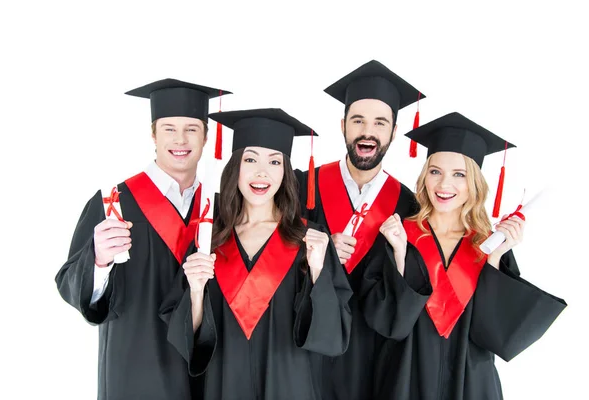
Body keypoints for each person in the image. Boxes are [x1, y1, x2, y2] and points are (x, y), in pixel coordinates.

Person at [368, 112, 567, 400]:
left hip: (470, 383)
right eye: (435, 171)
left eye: (458, 174)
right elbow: (385, 322)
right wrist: (399, 254)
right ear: (424, 177)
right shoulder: (398, 235)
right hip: (404, 378)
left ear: (473, 182)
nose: (443, 184)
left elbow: (497, 334)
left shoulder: (488, 245)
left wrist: (496, 259)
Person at [55, 78, 230, 400]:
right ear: (153, 134)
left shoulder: (221, 208)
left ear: (207, 136)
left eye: (192, 128)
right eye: (169, 128)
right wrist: (98, 260)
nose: (180, 139)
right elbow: (69, 284)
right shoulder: (113, 202)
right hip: (136, 360)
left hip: (205, 362)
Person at [162, 108, 353, 400]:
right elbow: (188, 343)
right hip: (225, 386)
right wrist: (197, 292)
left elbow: (334, 337)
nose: (262, 172)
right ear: (235, 167)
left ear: (285, 173)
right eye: (250, 159)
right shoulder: (209, 241)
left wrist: (317, 273)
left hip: (290, 388)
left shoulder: (310, 241)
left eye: (274, 161)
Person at [294, 59, 428, 400]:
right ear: (343, 125)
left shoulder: (408, 206)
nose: (368, 131)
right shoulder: (302, 186)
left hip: (371, 363)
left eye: (380, 122)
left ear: (394, 131)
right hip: (302, 349)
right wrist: (309, 253)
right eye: (358, 120)